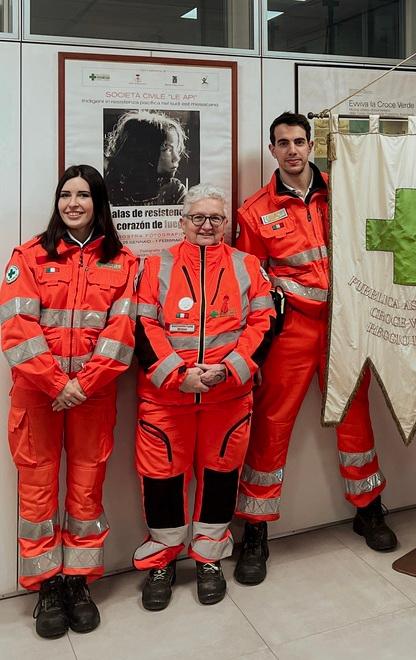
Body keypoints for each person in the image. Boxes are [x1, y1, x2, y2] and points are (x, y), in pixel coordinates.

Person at [231, 111, 397, 586]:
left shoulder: (341, 194)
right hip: (292, 330)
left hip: (343, 326)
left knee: (355, 415)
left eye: (299, 141)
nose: (292, 150)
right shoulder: (254, 210)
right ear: (272, 150)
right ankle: (256, 530)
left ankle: (368, 508)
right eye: (282, 143)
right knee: (271, 423)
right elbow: (255, 284)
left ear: (311, 144)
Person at [0, 164, 137, 638]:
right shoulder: (29, 255)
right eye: (65, 194)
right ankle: (46, 586)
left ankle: (78, 581)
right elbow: (17, 331)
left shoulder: (122, 261)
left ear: (99, 203)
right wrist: (59, 384)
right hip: (39, 396)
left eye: (83, 195)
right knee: (37, 493)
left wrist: (85, 383)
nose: (73, 203)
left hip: (93, 396)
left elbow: (121, 334)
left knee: (85, 491)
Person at [132, 184, 274, 610]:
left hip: (227, 397)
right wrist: (179, 375)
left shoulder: (247, 265)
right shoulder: (156, 265)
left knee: (220, 476)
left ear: (225, 224)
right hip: (166, 400)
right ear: (183, 222)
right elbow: (142, 326)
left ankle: (209, 558)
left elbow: (264, 323)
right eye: (198, 218)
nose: (207, 225)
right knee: (162, 479)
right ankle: (163, 560)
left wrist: (228, 369)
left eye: (215, 218)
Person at [104, 110, 188, 206]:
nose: (177, 158)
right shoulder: (110, 190)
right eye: (167, 149)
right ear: (145, 152)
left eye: (176, 149)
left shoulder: (175, 191)